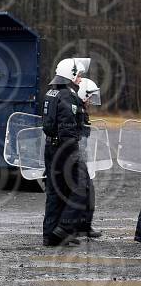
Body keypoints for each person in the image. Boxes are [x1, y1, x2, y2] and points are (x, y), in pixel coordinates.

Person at [42, 58, 89, 246]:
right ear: (70, 75)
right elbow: (67, 126)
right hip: (65, 148)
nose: (80, 79)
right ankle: (63, 228)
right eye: (78, 75)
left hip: (51, 148)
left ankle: (51, 235)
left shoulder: (51, 92)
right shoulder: (68, 95)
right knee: (80, 188)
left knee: (55, 190)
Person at [76, 77, 103, 239]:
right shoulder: (76, 110)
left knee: (88, 192)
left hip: (81, 158)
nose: (91, 101)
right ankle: (78, 227)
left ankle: (85, 226)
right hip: (75, 159)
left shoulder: (82, 112)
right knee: (81, 192)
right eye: (89, 97)